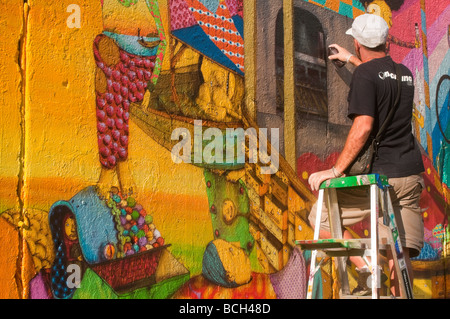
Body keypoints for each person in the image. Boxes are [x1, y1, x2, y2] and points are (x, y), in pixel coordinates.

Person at [307, 13, 425, 297]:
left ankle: (368, 266)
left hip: (382, 180)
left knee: (319, 217)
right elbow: (381, 80)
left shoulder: (365, 75)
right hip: (409, 175)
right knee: (400, 251)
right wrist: (351, 61)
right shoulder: (405, 75)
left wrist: (335, 171)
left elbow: (363, 126)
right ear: (385, 41)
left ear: (358, 42)